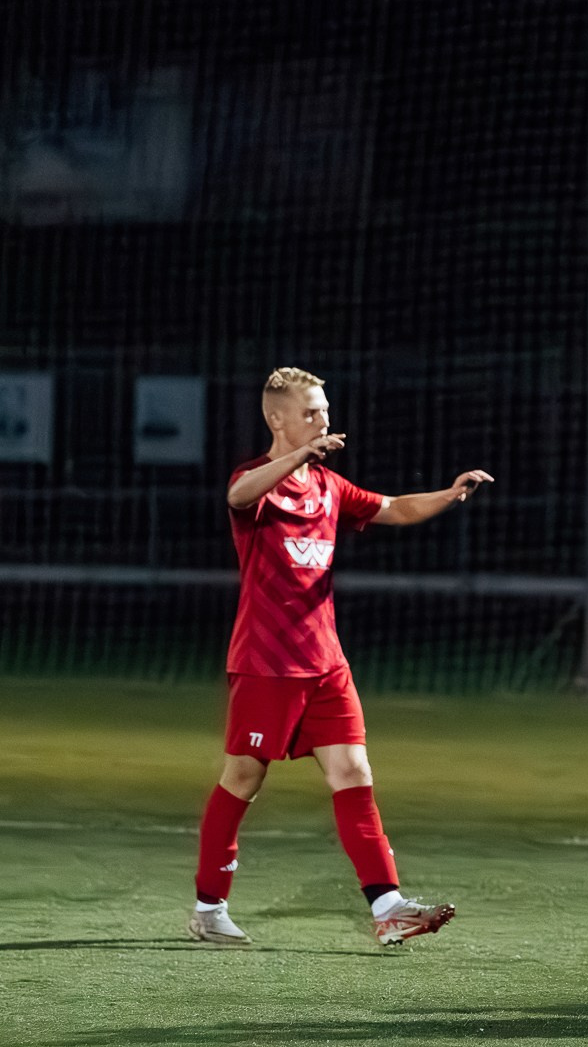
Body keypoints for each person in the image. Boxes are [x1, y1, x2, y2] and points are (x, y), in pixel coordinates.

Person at [186, 366, 492, 948]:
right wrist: (298, 458)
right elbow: (236, 495)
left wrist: (449, 495)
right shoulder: (257, 481)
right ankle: (208, 908)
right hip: (266, 665)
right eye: (311, 412)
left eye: (325, 410)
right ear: (277, 419)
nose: (323, 420)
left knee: (354, 772)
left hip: (326, 663)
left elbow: (395, 507)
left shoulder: (328, 487)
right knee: (244, 778)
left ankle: (389, 907)